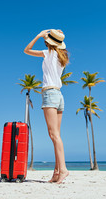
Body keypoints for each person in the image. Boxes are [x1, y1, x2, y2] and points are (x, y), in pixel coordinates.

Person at [24, 29, 70, 184]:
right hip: (59, 95)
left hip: (50, 94)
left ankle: (63, 169)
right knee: (57, 136)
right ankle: (57, 172)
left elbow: (26, 50)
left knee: (54, 135)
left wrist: (38, 35)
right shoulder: (62, 56)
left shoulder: (48, 53)